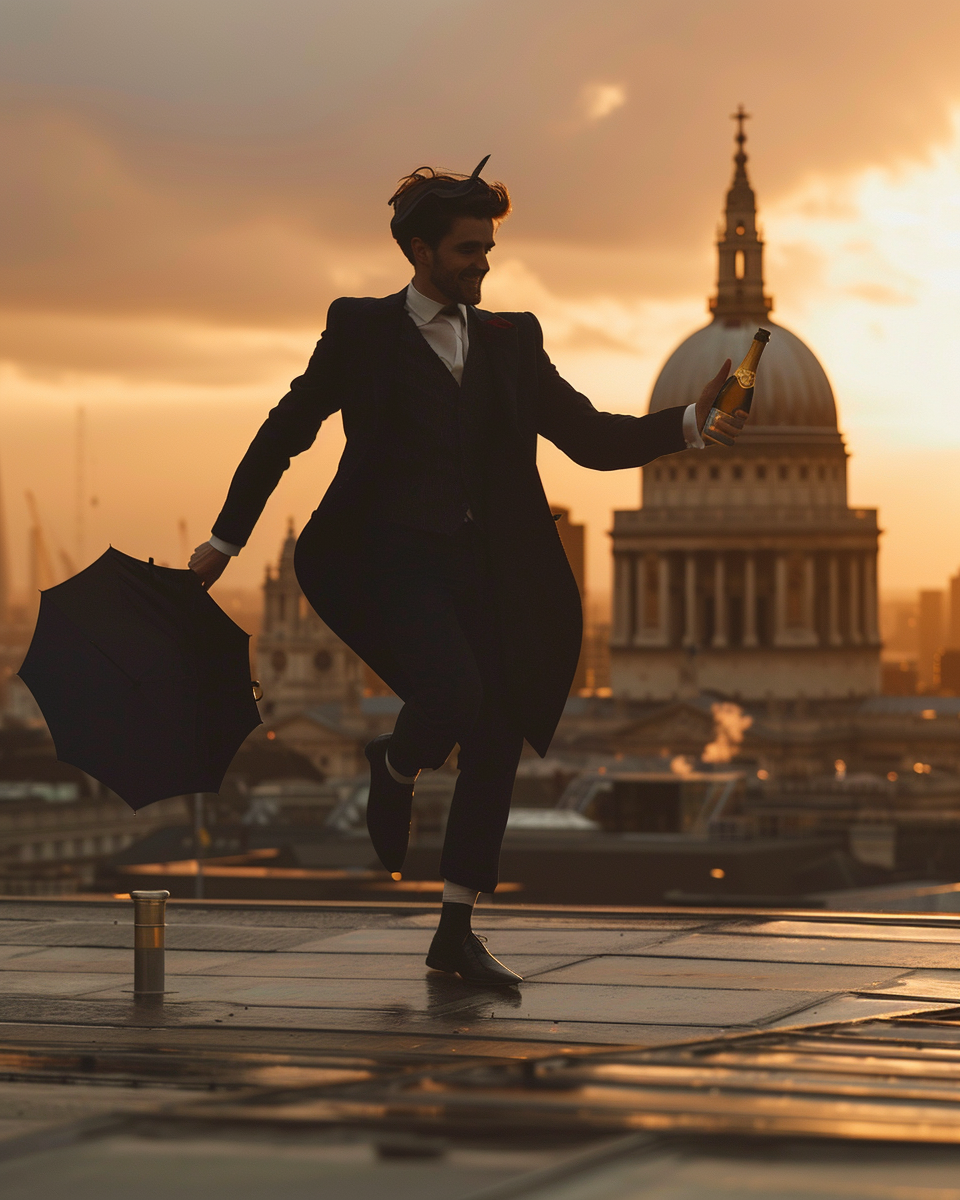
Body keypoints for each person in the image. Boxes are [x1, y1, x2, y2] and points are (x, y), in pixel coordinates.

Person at [189, 157, 747, 986]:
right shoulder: (359, 329)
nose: (482, 264)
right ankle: (395, 762)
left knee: (496, 734)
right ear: (418, 250)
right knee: (452, 695)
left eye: (487, 249)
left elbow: (589, 438)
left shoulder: (513, 340)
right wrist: (226, 541)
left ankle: (455, 929)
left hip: (488, 567)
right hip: (387, 560)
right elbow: (287, 431)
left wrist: (690, 424)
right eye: (465, 251)